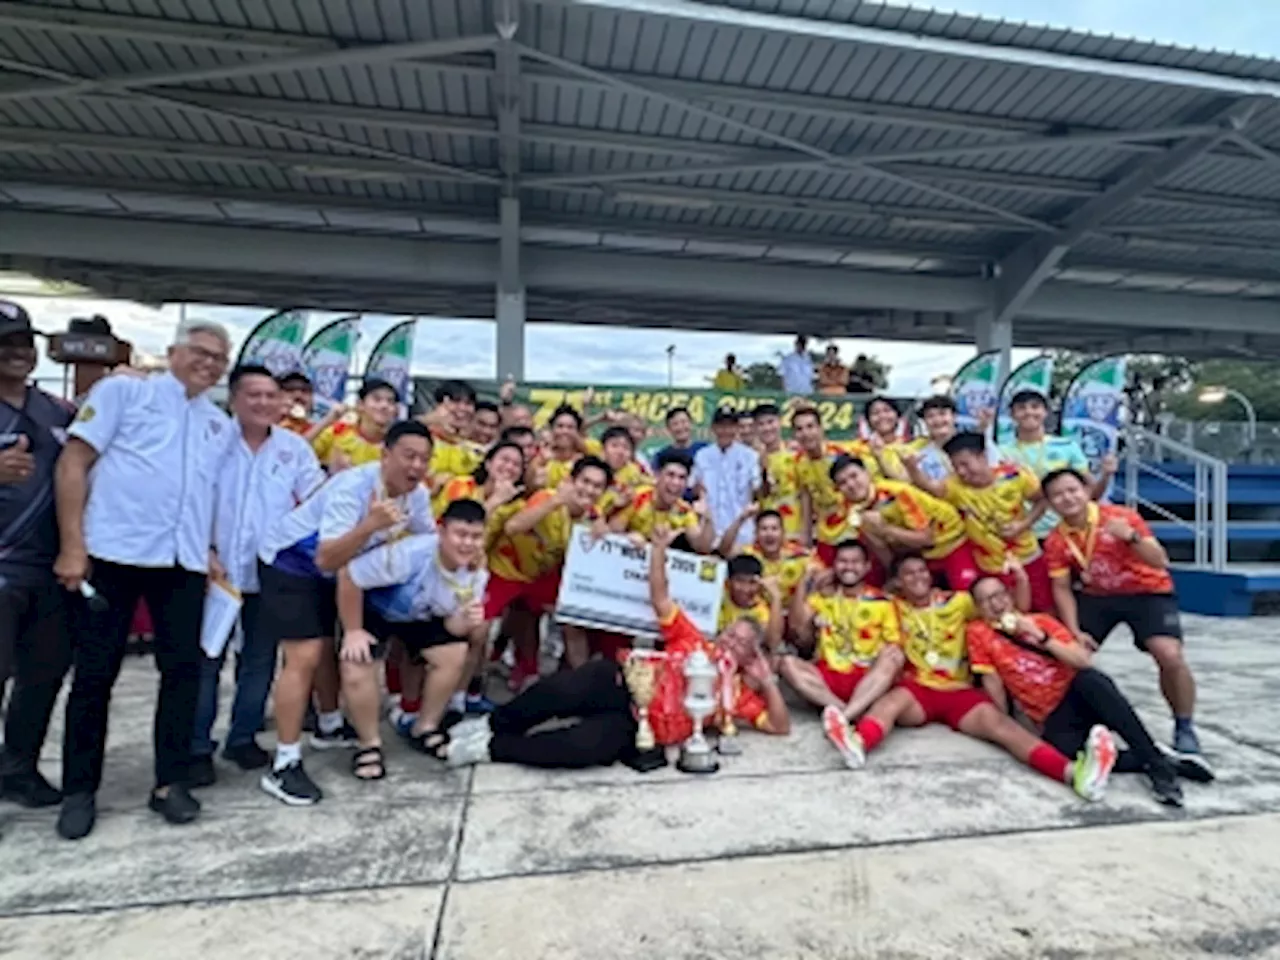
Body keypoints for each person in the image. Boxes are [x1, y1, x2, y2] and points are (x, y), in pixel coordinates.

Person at [52, 321, 234, 840]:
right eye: (200, 352)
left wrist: (210, 550)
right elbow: (74, 461)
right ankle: (79, 790)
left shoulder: (214, 422)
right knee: (94, 677)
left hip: (182, 563)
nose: (209, 363)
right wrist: (72, 545)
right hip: (114, 553)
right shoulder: (124, 393)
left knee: (183, 674)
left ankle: (169, 783)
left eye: (219, 358)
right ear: (174, 352)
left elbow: (204, 496)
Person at [445, 522, 790, 769]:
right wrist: (657, 550)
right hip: (621, 680)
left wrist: (769, 683)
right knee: (560, 690)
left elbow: (780, 726)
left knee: (580, 748)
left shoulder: (737, 693)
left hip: (639, 726)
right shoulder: (694, 639)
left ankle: (494, 747)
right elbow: (660, 595)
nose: (731, 642)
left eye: (742, 643)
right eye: (730, 634)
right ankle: (494, 724)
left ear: (748, 655)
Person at [823, 557, 1118, 805]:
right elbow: (852, 598)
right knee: (889, 703)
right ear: (898, 582)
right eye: (908, 573)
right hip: (919, 690)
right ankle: (858, 743)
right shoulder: (892, 605)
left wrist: (1021, 581)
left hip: (960, 691)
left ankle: (1075, 775)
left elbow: (1007, 611)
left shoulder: (960, 601)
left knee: (1002, 728)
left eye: (922, 571)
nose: (917, 577)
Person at [256, 420, 435, 805]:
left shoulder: (416, 495)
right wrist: (370, 525)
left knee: (326, 647)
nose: (417, 466)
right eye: (409, 456)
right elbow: (326, 556)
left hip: (337, 574)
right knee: (304, 655)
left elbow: (429, 539)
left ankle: (329, 725)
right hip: (291, 562)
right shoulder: (353, 489)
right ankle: (284, 764)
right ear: (385, 454)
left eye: (424, 458)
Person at [189, 365, 327, 787]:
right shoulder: (211, 441)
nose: (265, 403)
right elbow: (191, 498)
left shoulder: (294, 449)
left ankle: (243, 736)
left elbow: (316, 500)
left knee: (260, 661)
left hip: (271, 574)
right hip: (215, 572)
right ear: (233, 399)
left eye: (272, 396)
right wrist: (204, 549)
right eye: (254, 395)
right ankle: (197, 746)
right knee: (206, 662)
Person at [966, 575, 1200, 806]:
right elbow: (992, 680)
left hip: (1076, 695)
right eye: (986, 600)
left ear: (1009, 595)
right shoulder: (979, 633)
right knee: (1072, 757)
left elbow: (1082, 660)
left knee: (1092, 680)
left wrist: (1041, 637)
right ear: (978, 608)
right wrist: (1005, 724)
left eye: (999, 595)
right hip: (1051, 715)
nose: (996, 604)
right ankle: (1156, 757)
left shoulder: (1042, 622)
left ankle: (1159, 769)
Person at [1041, 467, 1205, 756]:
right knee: (1069, 655)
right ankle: (1079, 723)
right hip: (1098, 597)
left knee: (1169, 655)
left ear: (1087, 491)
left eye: (1072, 490)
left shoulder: (1122, 517)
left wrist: (1131, 537)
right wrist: (1074, 631)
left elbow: (1160, 560)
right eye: (1057, 495)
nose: (1067, 499)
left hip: (1147, 592)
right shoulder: (1057, 540)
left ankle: (1184, 725)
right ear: (1050, 504)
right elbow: (1062, 589)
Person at [338, 501, 489, 759]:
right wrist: (352, 630)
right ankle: (369, 743)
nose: (467, 544)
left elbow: (451, 626)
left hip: (418, 615)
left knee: (454, 653)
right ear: (441, 532)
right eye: (460, 534)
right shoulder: (408, 555)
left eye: (475, 537)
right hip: (374, 608)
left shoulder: (476, 574)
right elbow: (349, 575)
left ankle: (425, 726)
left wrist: (465, 621)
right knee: (357, 662)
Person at [0, 300, 74, 809]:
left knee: (42, 675)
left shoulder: (55, 408)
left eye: (24, 342)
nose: (18, 353)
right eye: (5, 344)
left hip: (51, 566)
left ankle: (19, 768)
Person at [487, 457, 613, 686]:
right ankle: (518, 670)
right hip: (509, 568)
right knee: (489, 624)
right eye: (585, 482)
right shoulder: (547, 497)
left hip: (542, 575)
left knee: (573, 620)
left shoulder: (594, 518)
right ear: (571, 481)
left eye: (597, 486)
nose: (590, 490)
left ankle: (582, 686)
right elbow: (513, 527)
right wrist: (554, 503)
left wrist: (605, 537)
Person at [905, 431, 1052, 610]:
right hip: (989, 566)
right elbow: (928, 486)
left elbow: (1043, 500)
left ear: (983, 457)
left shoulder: (1015, 475)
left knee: (1044, 607)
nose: (961, 471)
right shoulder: (954, 486)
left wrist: (1024, 524)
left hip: (1027, 557)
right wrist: (912, 468)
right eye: (955, 466)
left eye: (965, 464)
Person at [780, 541, 905, 727]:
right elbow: (796, 627)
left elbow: (893, 645)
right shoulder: (823, 598)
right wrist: (806, 581)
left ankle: (843, 717)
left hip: (867, 679)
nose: (849, 567)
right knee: (787, 663)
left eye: (855, 562)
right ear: (834, 566)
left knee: (894, 656)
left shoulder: (883, 602)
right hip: (828, 677)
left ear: (866, 567)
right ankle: (847, 712)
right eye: (843, 561)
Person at [828, 454, 977, 591]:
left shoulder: (897, 492)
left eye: (854, 476)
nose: (851, 485)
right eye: (843, 483)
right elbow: (881, 550)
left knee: (966, 592)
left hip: (951, 542)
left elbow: (927, 539)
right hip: (918, 554)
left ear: (867, 474)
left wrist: (885, 529)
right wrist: (895, 577)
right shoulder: (852, 510)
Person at [998, 389, 1116, 539]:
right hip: (1020, 534)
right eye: (1021, 408)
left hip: (1064, 531)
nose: (1028, 412)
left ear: (1045, 412)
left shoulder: (1067, 446)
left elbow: (1092, 495)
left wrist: (1106, 475)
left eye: (1035, 407)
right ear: (1012, 415)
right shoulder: (1001, 452)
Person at [791, 406, 869, 560]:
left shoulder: (842, 453)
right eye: (799, 429)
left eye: (810, 426)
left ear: (820, 429)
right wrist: (805, 539)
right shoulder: (798, 462)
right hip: (825, 533)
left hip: (853, 529)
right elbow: (806, 500)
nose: (805, 433)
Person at [610, 451, 714, 553]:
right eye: (670, 475)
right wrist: (626, 538)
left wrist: (708, 519)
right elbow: (611, 532)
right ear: (657, 476)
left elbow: (701, 548)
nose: (675, 482)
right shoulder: (637, 497)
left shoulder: (684, 510)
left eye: (682, 478)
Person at [691, 409, 762, 550]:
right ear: (713, 428)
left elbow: (757, 489)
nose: (725, 431)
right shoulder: (702, 456)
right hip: (710, 531)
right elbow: (694, 486)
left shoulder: (750, 456)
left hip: (741, 533)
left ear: (736, 428)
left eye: (730, 426)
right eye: (721, 426)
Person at [718, 505, 811, 609]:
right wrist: (742, 518)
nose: (769, 534)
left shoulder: (798, 555)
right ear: (756, 534)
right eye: (764, 529)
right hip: (759, 614)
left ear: (783, 533)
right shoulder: (749, 553)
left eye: (774, 529)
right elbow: (724, 550)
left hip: (791, 613)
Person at [312, 378, 399, 472]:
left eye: (390, 402)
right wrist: (328, 420)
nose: (384, 405)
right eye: (377, 399)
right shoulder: (338, 432)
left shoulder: (397, 447)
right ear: (360, 405)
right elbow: (299, 452)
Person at [752, 403, 803, 541]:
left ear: (780, 422)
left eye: (770, 422)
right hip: (767, 531)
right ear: (755, 428)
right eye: (761, 424)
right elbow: (757, 495)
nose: (767, 428)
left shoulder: (796, 454)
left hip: (795, 529)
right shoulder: (752, 459)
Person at [717, 554, 784, 652]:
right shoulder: (718, 596)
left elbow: (772, 643)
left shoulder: (761, 611)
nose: (745, 588)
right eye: (740, 581)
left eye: (752, 582)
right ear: (728, 582)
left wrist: (776, 597)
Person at [862, 396, 924, 480]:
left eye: (887, 410)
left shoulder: (914, 445)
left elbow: (910, 480)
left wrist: (880, 457)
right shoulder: (861, 450)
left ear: (897, 416)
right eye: (875, 413)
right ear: (868, 421)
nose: (882, 416)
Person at [650, 406, 707, 473]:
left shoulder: (706, 449)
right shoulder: (661, 456)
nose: (680, 427)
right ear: (668, 429)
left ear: (691, 424)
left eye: (683, 422)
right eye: (675, 424)